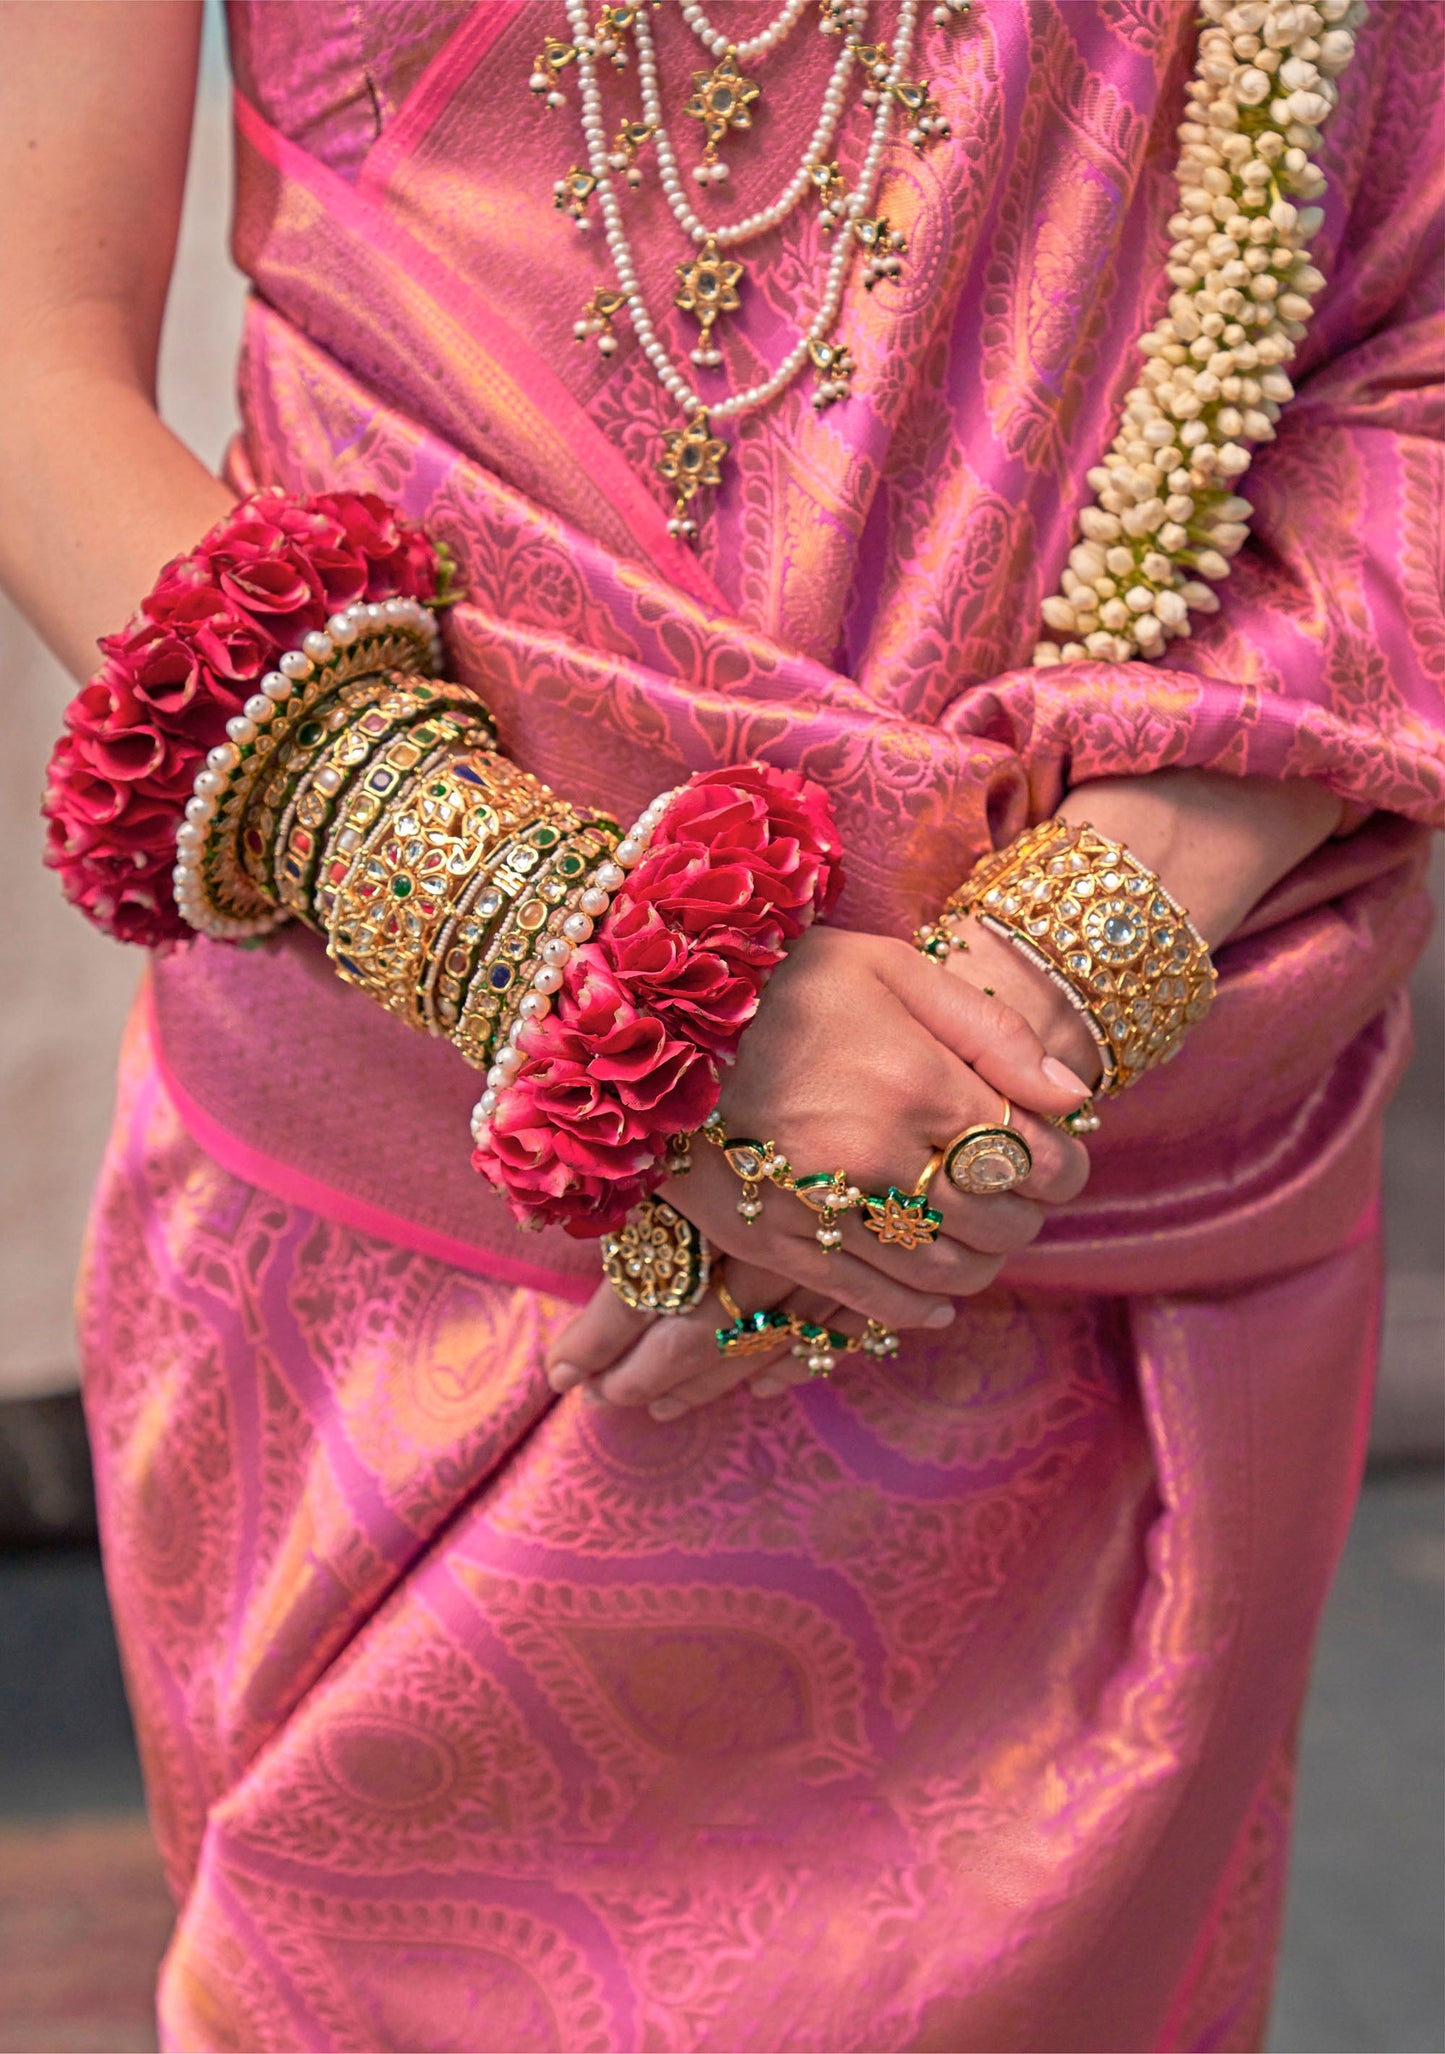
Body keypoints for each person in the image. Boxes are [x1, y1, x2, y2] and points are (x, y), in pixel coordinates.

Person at [1, 1, 1439, 2047]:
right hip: (381, 1233)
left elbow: (1412, 387)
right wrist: (562, 957)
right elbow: (27, 351)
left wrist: (1017, 1007)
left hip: (1053, 1270)